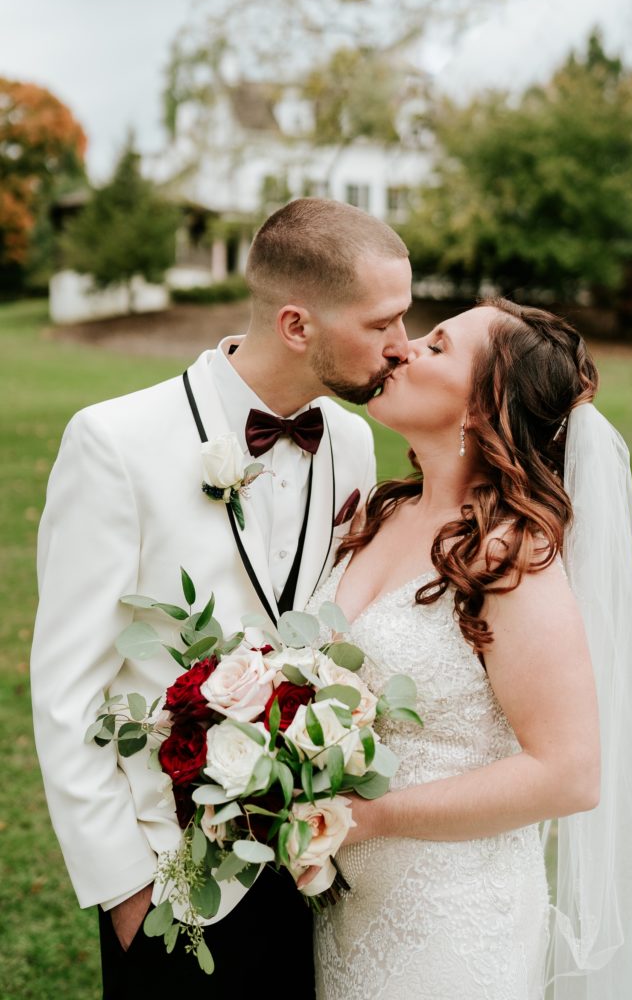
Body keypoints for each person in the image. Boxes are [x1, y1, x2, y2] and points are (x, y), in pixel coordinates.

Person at [30, 197, 413, 998]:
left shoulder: (348, 437)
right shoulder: (115, 442)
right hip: (170, 877)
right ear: (297, 324)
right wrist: (128, 889)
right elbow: (66, 690)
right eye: (383, 323)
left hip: (313, 856)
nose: (400, 349)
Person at [309, 298, 632, 999]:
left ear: (483, 405)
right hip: (344, 909)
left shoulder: (511, 553)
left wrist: (372, 817)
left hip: (450, 928)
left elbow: (567, 775)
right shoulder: (382, 511)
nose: (402, 348)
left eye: (437, 346)